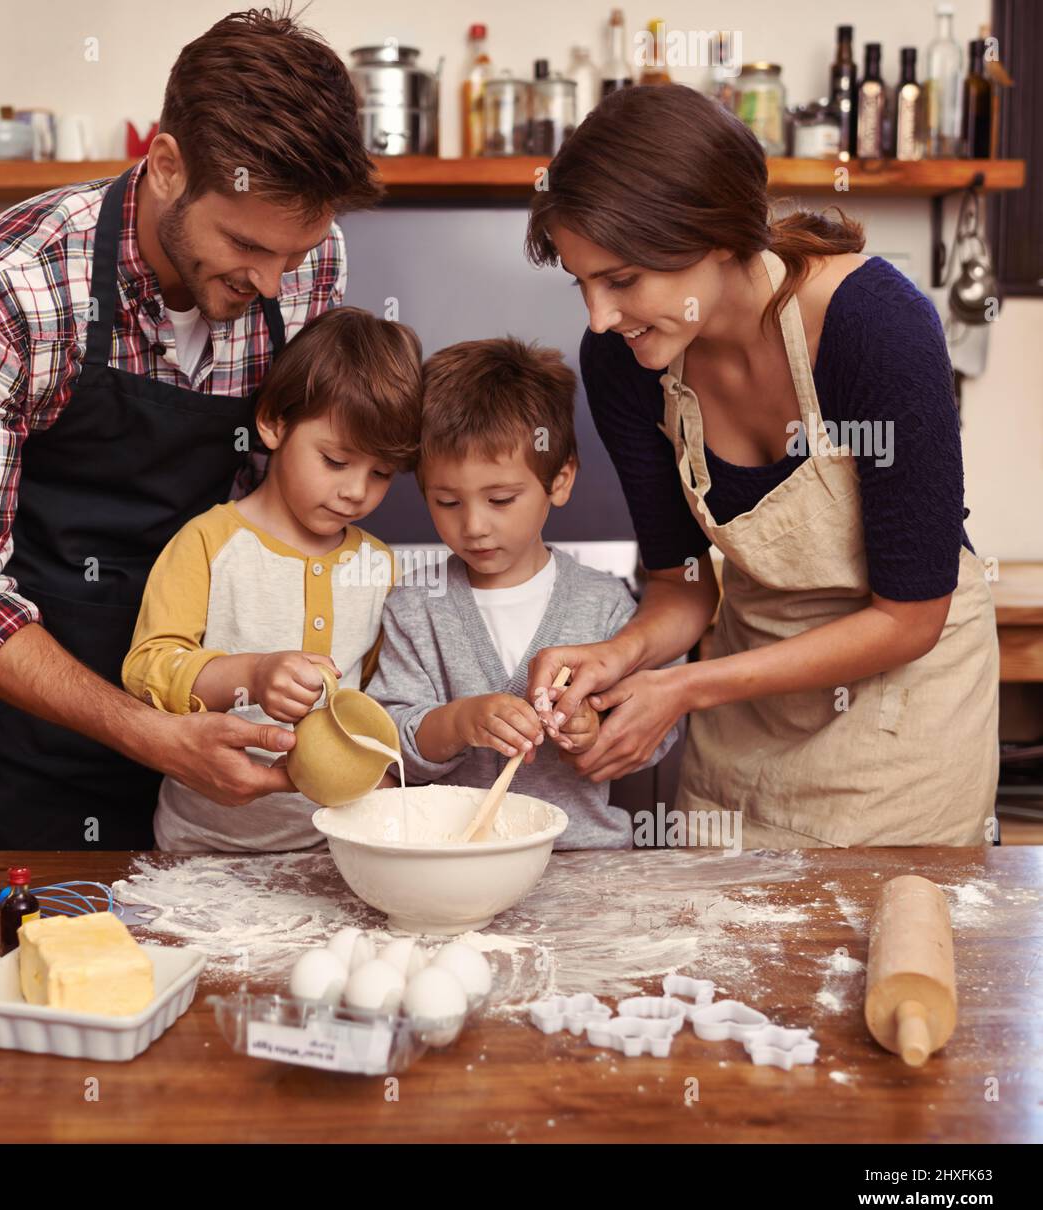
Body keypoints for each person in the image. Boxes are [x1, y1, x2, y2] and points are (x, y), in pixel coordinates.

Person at [0, 10, 382, 848]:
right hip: (18, 752)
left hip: (216, 749)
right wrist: (152, 732)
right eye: (245, 245)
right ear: (165, 165)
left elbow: (284, 496)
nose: (273, 285)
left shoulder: (309, 260)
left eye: (293, 258)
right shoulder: (3, 293)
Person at [524, 84, 998, 848]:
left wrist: (683, 687)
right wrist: (621, 656)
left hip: (902, 707)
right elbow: (682, 588)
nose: (599, 317)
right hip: (745, 702)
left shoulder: (875, 326)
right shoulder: (622, 362)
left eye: (620, 280)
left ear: (713, 236)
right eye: (582, 283)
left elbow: (912, 618)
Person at [122, 307, 423, 852]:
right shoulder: (209, 543)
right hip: (202, 849)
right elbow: (147, 669)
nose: (358, 491)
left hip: (334, 846)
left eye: (381, 473)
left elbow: (384, 698)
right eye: (336, 461)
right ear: (274, 423)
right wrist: (252, 674)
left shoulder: (380, 566)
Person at [368, 338, 676, 848]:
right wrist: (459, 721)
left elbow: (658, 728)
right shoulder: (413, 609)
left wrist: (594, 730)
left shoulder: (605, 604)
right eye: (446, 502)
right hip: (456, 869)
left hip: (583, 867)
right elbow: (387, 745)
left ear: (559, 481)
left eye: (501, 499)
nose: (474, 526)